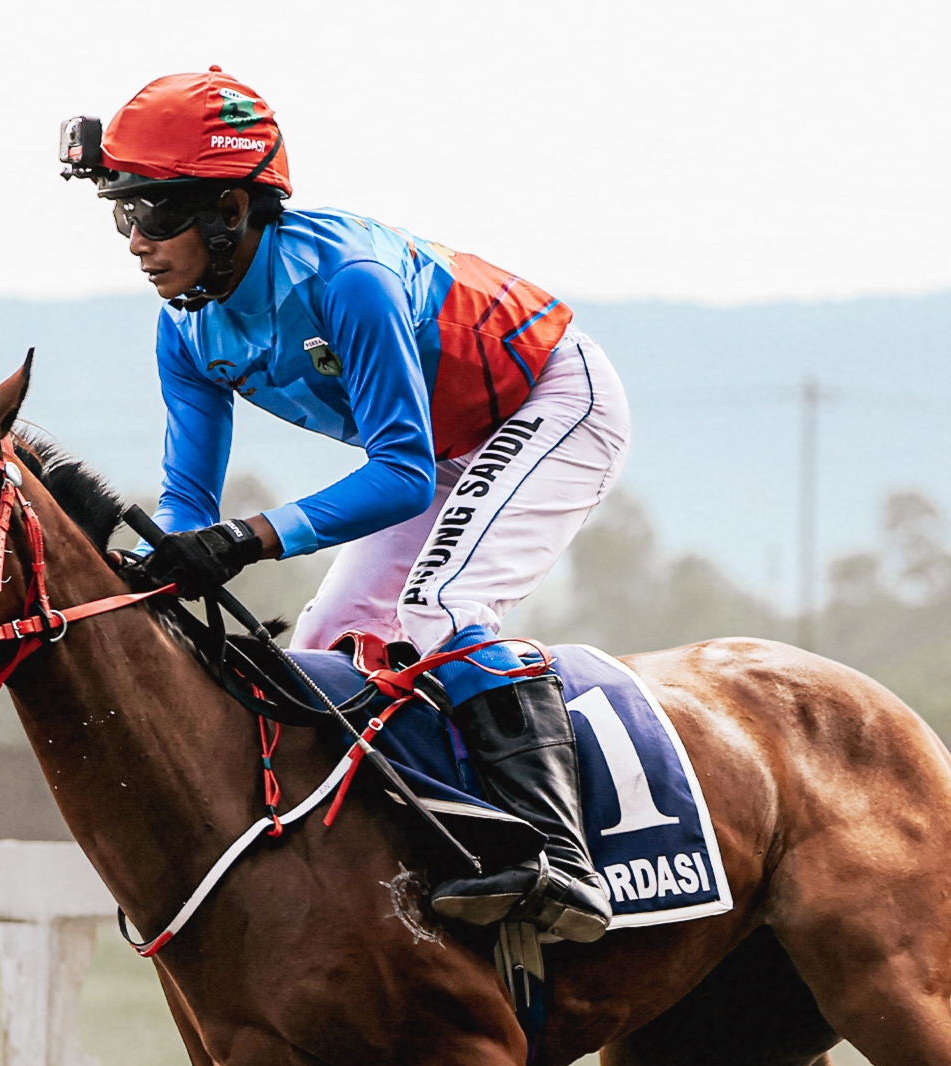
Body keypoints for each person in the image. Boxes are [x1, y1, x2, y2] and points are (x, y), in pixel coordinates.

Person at [68, 68, 631, 944]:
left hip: (549, 399)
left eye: (154, 214)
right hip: (443, 443)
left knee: (441, 605)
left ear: (230, 211)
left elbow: (399, 475)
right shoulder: (184, 326)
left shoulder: (347, 281)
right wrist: (146, 570)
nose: (136, 243)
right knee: (325, 642)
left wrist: (250, 539)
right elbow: (187, 501)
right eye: (122, 216)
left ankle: (559, 860)